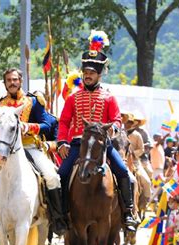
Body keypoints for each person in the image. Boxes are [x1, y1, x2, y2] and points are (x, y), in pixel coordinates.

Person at [57, 31, 136, 229]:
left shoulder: (109, 97)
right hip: (78, 143)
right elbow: (64, 122)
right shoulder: (73, 98)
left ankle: (128, 212)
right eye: (86, 72)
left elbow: (116, 120)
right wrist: (62, 143)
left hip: (102, 144)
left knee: (124, 172)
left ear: (99, 74)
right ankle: (61, 215)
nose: (88, 76)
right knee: (61, 174)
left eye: (92, 73)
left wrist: (112, 130)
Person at [0, 67, 67, 236]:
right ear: (4, 83)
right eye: (8, 80)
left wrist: (29, 127)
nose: (12, 83)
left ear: (20, 81)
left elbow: (47, 124)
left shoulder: (33, 102)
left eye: (15, 80)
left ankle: (57, 218)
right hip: (5, 150)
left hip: (30, 147)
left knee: (52, 176)